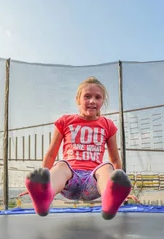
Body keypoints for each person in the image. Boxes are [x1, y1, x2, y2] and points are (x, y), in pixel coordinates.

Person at [22, 76, 133, 220]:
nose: (92, 101)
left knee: (106, 167)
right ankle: (44, 195)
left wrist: (120, 189)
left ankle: (110, 199)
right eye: (87, 96)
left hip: (92, 183)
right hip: (69, 180)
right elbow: (51, 154)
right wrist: (42, 180)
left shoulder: (108, 125)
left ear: (102, 102)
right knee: (61, 165)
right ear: (78, 99)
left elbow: (115, 158)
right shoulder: (65, 121)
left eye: (97, 97)